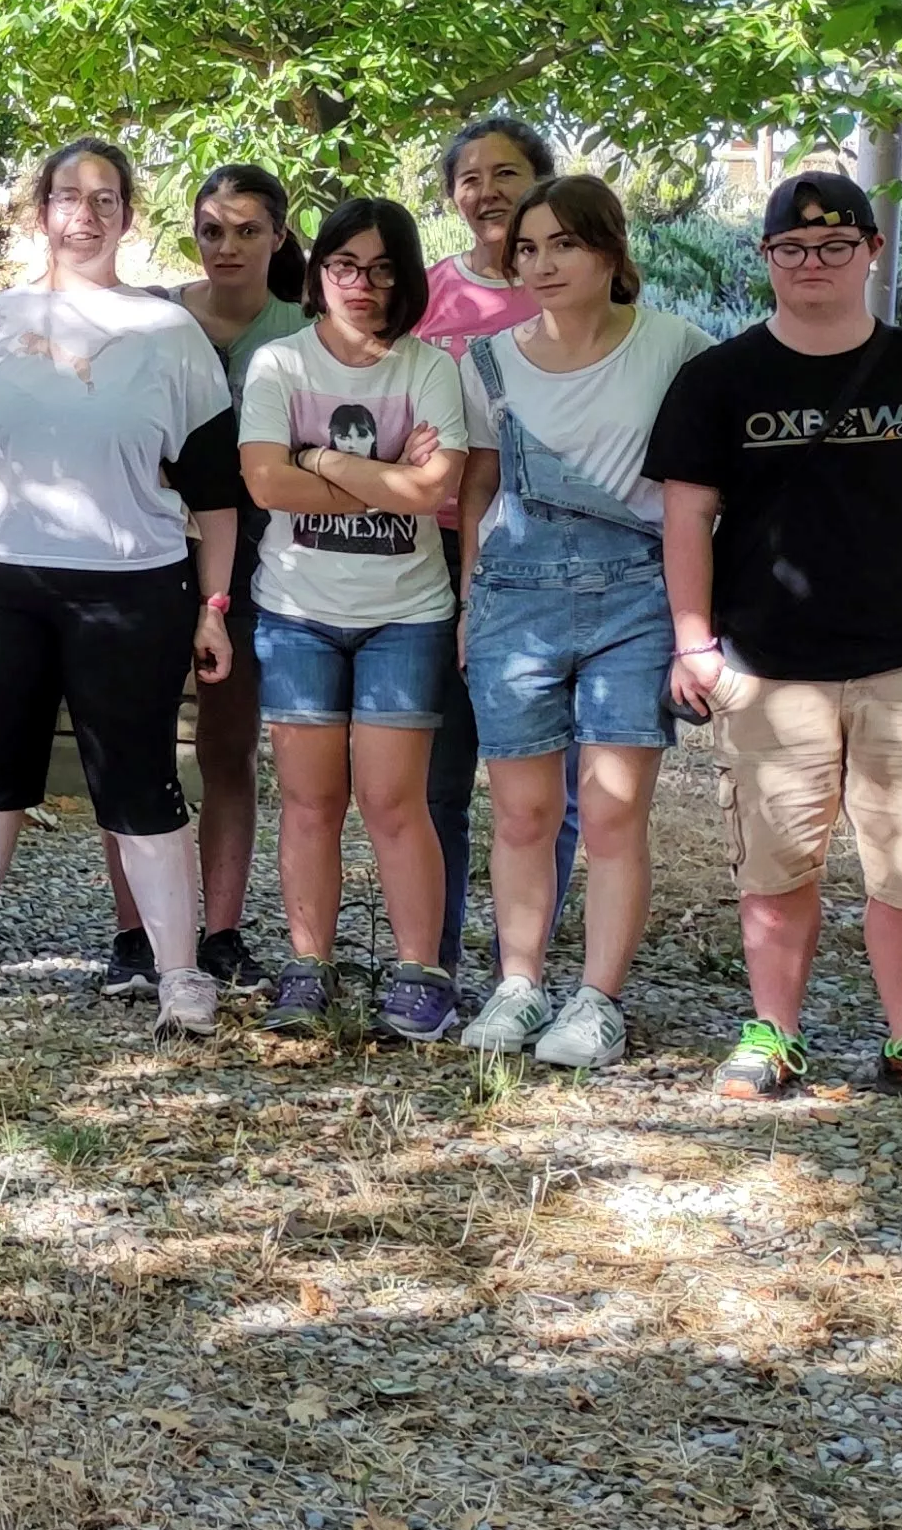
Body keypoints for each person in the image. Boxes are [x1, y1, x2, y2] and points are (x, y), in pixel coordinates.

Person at [652, 171, 902, 1107]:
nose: (814, 263)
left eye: (836, 246)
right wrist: (694, 644)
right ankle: (774, 1036)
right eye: (794, 249)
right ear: (766, 259)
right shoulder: (717, 379)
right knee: (774, 865)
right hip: (767, 668)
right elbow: (686, 519)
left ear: (871, 253)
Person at [0, 139, 245, 1036]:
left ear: (129, 215)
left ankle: (178, 974)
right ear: (39, 211)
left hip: (133, 591)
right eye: (66, 196)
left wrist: (213, 609)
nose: (84, 213)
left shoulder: (172, 338)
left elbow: (217, 496)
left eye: (105, 198)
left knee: (141, 781)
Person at [454, 175, 709, 1068]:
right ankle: (518, 985)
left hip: (634, 598)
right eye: (527, 249)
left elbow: (701, 491)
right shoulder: (487, 363)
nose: (542, 263)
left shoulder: (678, 348)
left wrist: (698, 625)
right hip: (513, 598)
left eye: (563, 243)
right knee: (522, 813)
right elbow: (479, 485)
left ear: (610, 251)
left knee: (611, 812)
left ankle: (598, 1000)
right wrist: (467, 601)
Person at [235, 197, 470, 1043]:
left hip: (405, 615)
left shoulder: (430, 368)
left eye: (380, 269)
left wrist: (324, 458)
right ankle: (310, 966)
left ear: (405, 278)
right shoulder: (279, 366)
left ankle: (421, 974)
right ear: (317, 272)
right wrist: (383, 477)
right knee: (308, 800)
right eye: (344, 266)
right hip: (297, 613)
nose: (361, 285)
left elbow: (430, 493)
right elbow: (266, 485)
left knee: (394, 800)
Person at [101, 164, 306, 998]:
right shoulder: (148, 319)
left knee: (227, 750)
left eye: (247, 230)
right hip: (144, 558)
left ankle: (219, 932)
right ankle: (135, 937)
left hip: (263, 566)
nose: (227, 246)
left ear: (279, 238)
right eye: (213, 230)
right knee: (132, 749)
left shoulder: (305, 331)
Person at [413, 115, 560, 974]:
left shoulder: (567, 284)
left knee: (543, 779)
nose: (488, 192)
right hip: (432, 547)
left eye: (506, 173)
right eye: (470, 178)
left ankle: (526, 965)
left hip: (545, 549)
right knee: (441, 772)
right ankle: (430, 959)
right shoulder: (430, 294)